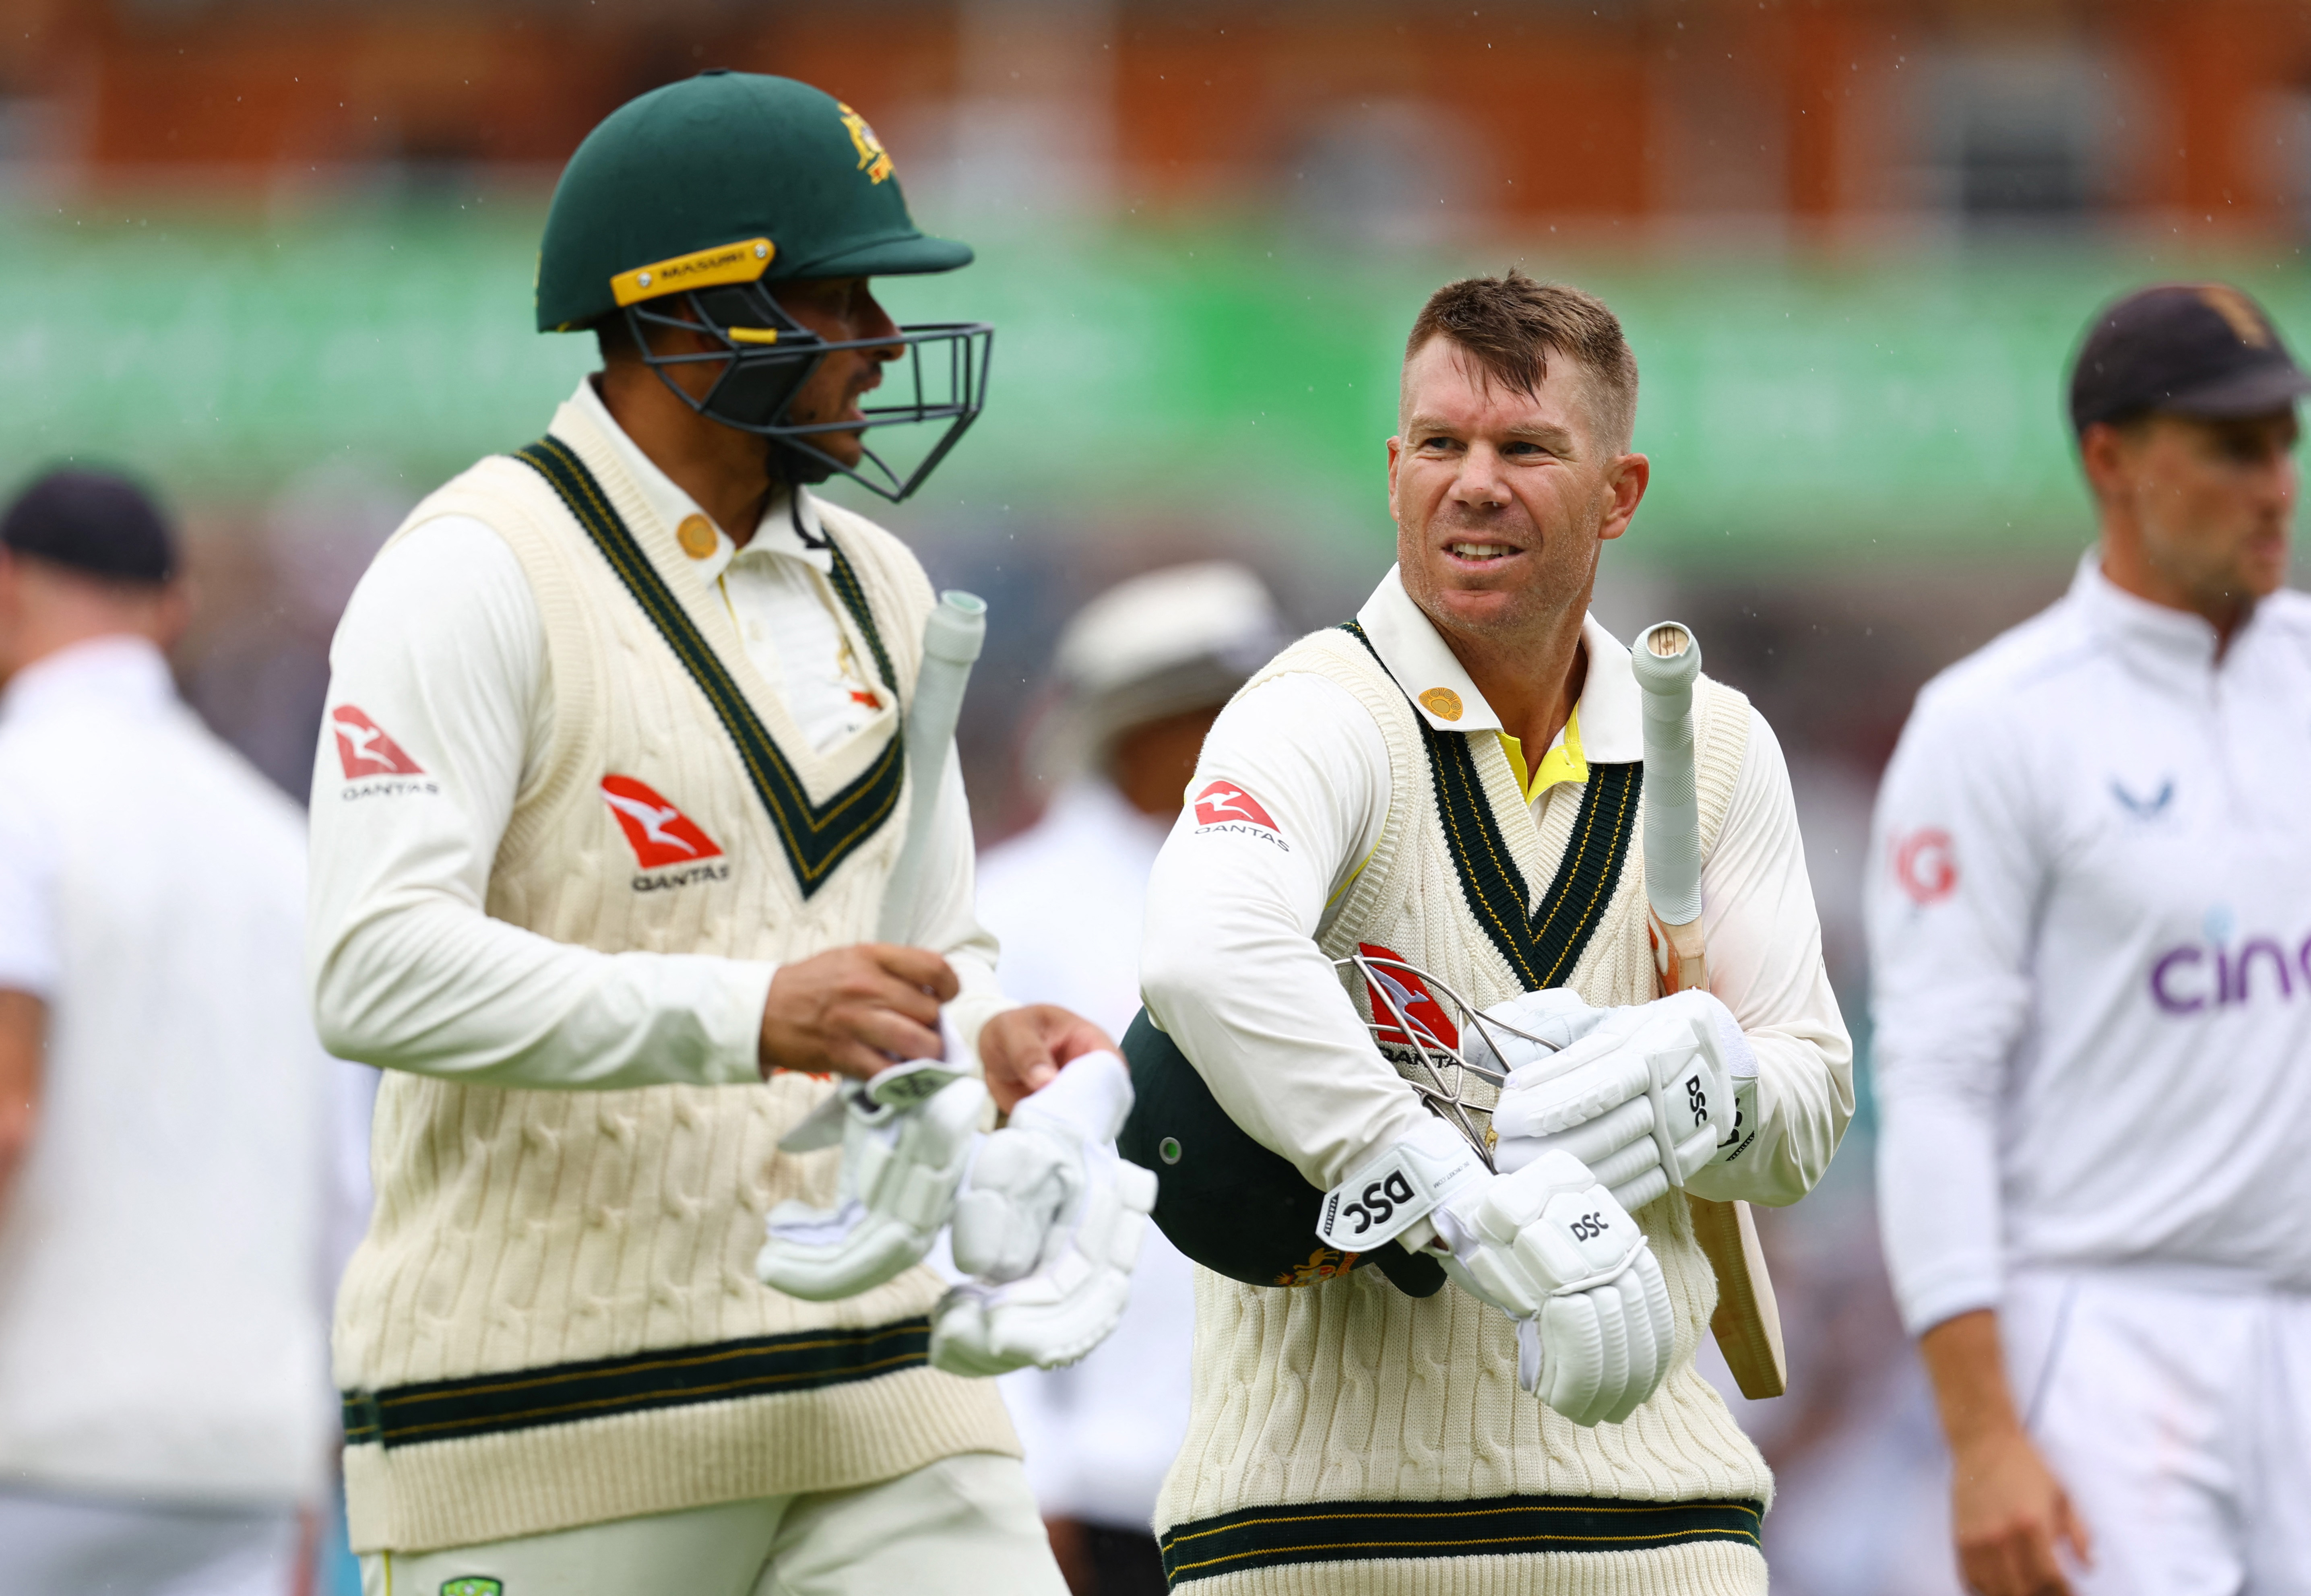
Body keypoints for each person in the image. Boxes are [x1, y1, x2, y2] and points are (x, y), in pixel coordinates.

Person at [308, 71, 1123, 1595]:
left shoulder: (877, 578)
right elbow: (372, 971)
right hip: (551, 1415)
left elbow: (934, 940)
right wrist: (750, 1013)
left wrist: (989, 1035)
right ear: (691, 318)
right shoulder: (476, 571)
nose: (884, 342)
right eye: (840, 297)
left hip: (889, 1385)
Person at [1134, 270, 1852, 1593]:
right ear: (1392, 466)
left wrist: (1696, 1079)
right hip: (1322, 1532)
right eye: (1439, 444)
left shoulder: (1716, 741)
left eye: (1526, 447)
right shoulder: (1316, 709)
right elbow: (1203, 947)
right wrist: (1449, 1181)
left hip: (1660, 1519)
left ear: (1619, 492)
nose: (1474, 481)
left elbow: (1809, 1107)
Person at [1869, 282, 2311, 1596]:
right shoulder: (1990, 724)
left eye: (2285, 441)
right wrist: (1982, 1434)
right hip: (2105, 1334)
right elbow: (1936, 1086)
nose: (2275, 483)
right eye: (2233, 446)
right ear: (2109, 457)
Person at [0, 470, 355, 1594]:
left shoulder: (16, 795)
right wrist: (318, 1458)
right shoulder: (282, 847)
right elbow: (346, 1186)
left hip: (36, 1442)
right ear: (173, 606)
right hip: (242, 1459)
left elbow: (7, 1115)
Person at [977, 562, 1283, 1595]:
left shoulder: (1313, 888)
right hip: (1115, 1492)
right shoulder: (1015, 914)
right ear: (1135, 731)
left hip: (1306, 1475)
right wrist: (1026, 1468)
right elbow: (970, 1215)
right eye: (1205, 718)